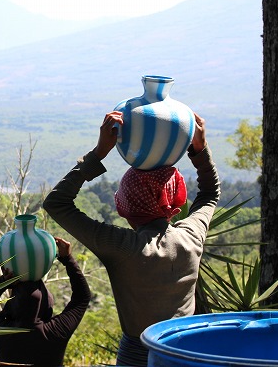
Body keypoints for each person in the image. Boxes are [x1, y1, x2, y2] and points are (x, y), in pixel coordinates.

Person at [42, 111, 220, 366]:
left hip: (138, 356)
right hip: (186, 352)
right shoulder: (191, 236)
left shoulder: (122, 247)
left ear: (126, 207)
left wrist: (98, 153)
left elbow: (57, 203)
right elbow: (210, 194)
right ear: (175, 200)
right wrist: (199, 150)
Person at [0, 236, 91, 366]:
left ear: (12, 305)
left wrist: (4, 282)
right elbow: (82, 297)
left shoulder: (3, 334)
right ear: (46, 305)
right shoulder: (55, 332)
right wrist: (67, 258)